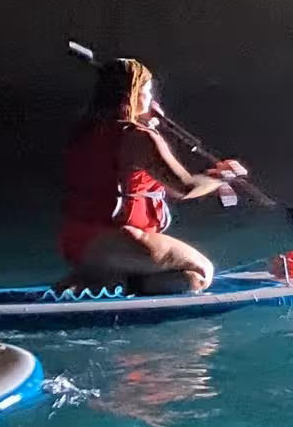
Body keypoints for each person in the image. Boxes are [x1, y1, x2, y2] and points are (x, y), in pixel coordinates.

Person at [57, 58, 246, 295]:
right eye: (147, 91)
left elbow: (129, 167)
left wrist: (147, 123)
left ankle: (102, 279)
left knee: (183, 278)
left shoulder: (84, 131)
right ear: (133, 95)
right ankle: (111, 284)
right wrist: (223, 176)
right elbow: (185, 187)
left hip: (77, 242)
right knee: (201, 272)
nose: (151, 98)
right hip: (119, 241)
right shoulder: (139, 137)